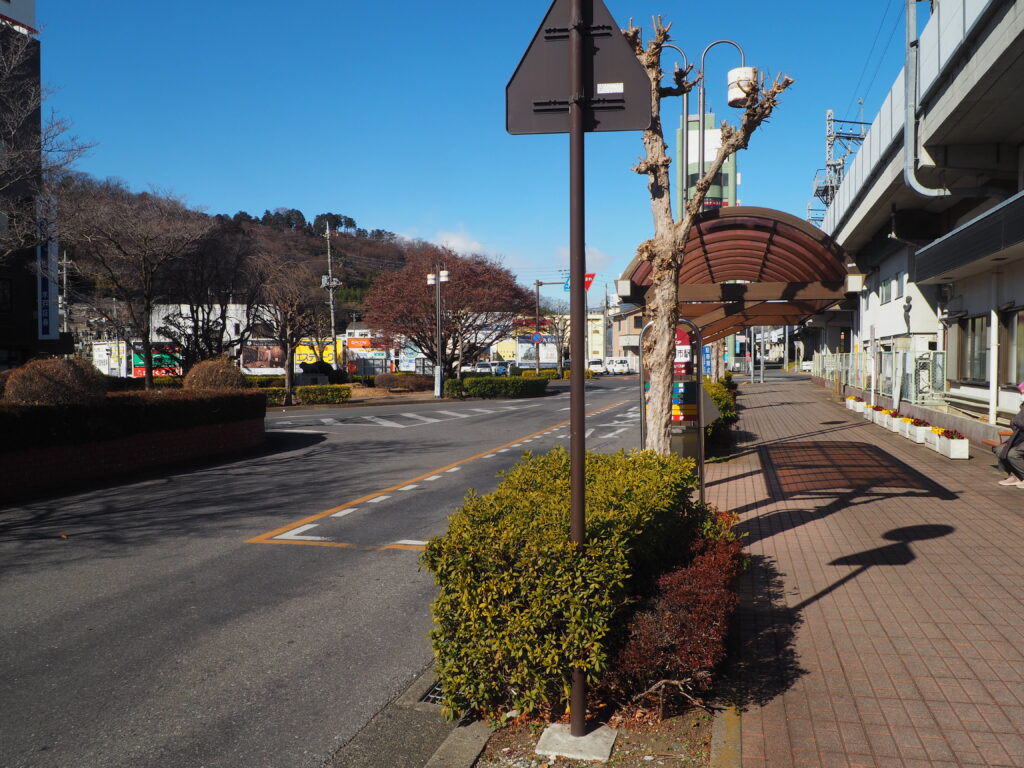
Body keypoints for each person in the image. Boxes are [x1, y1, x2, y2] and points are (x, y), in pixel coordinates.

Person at [997, 380, 1024, 488]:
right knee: (1000, 450)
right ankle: (1016, 475)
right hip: (1019, 437)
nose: (1021, 395)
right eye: (1020, 393)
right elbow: (1014, 423)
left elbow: (1017, 422)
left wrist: (1016, 422)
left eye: (1022, 393)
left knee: (1013, 454)